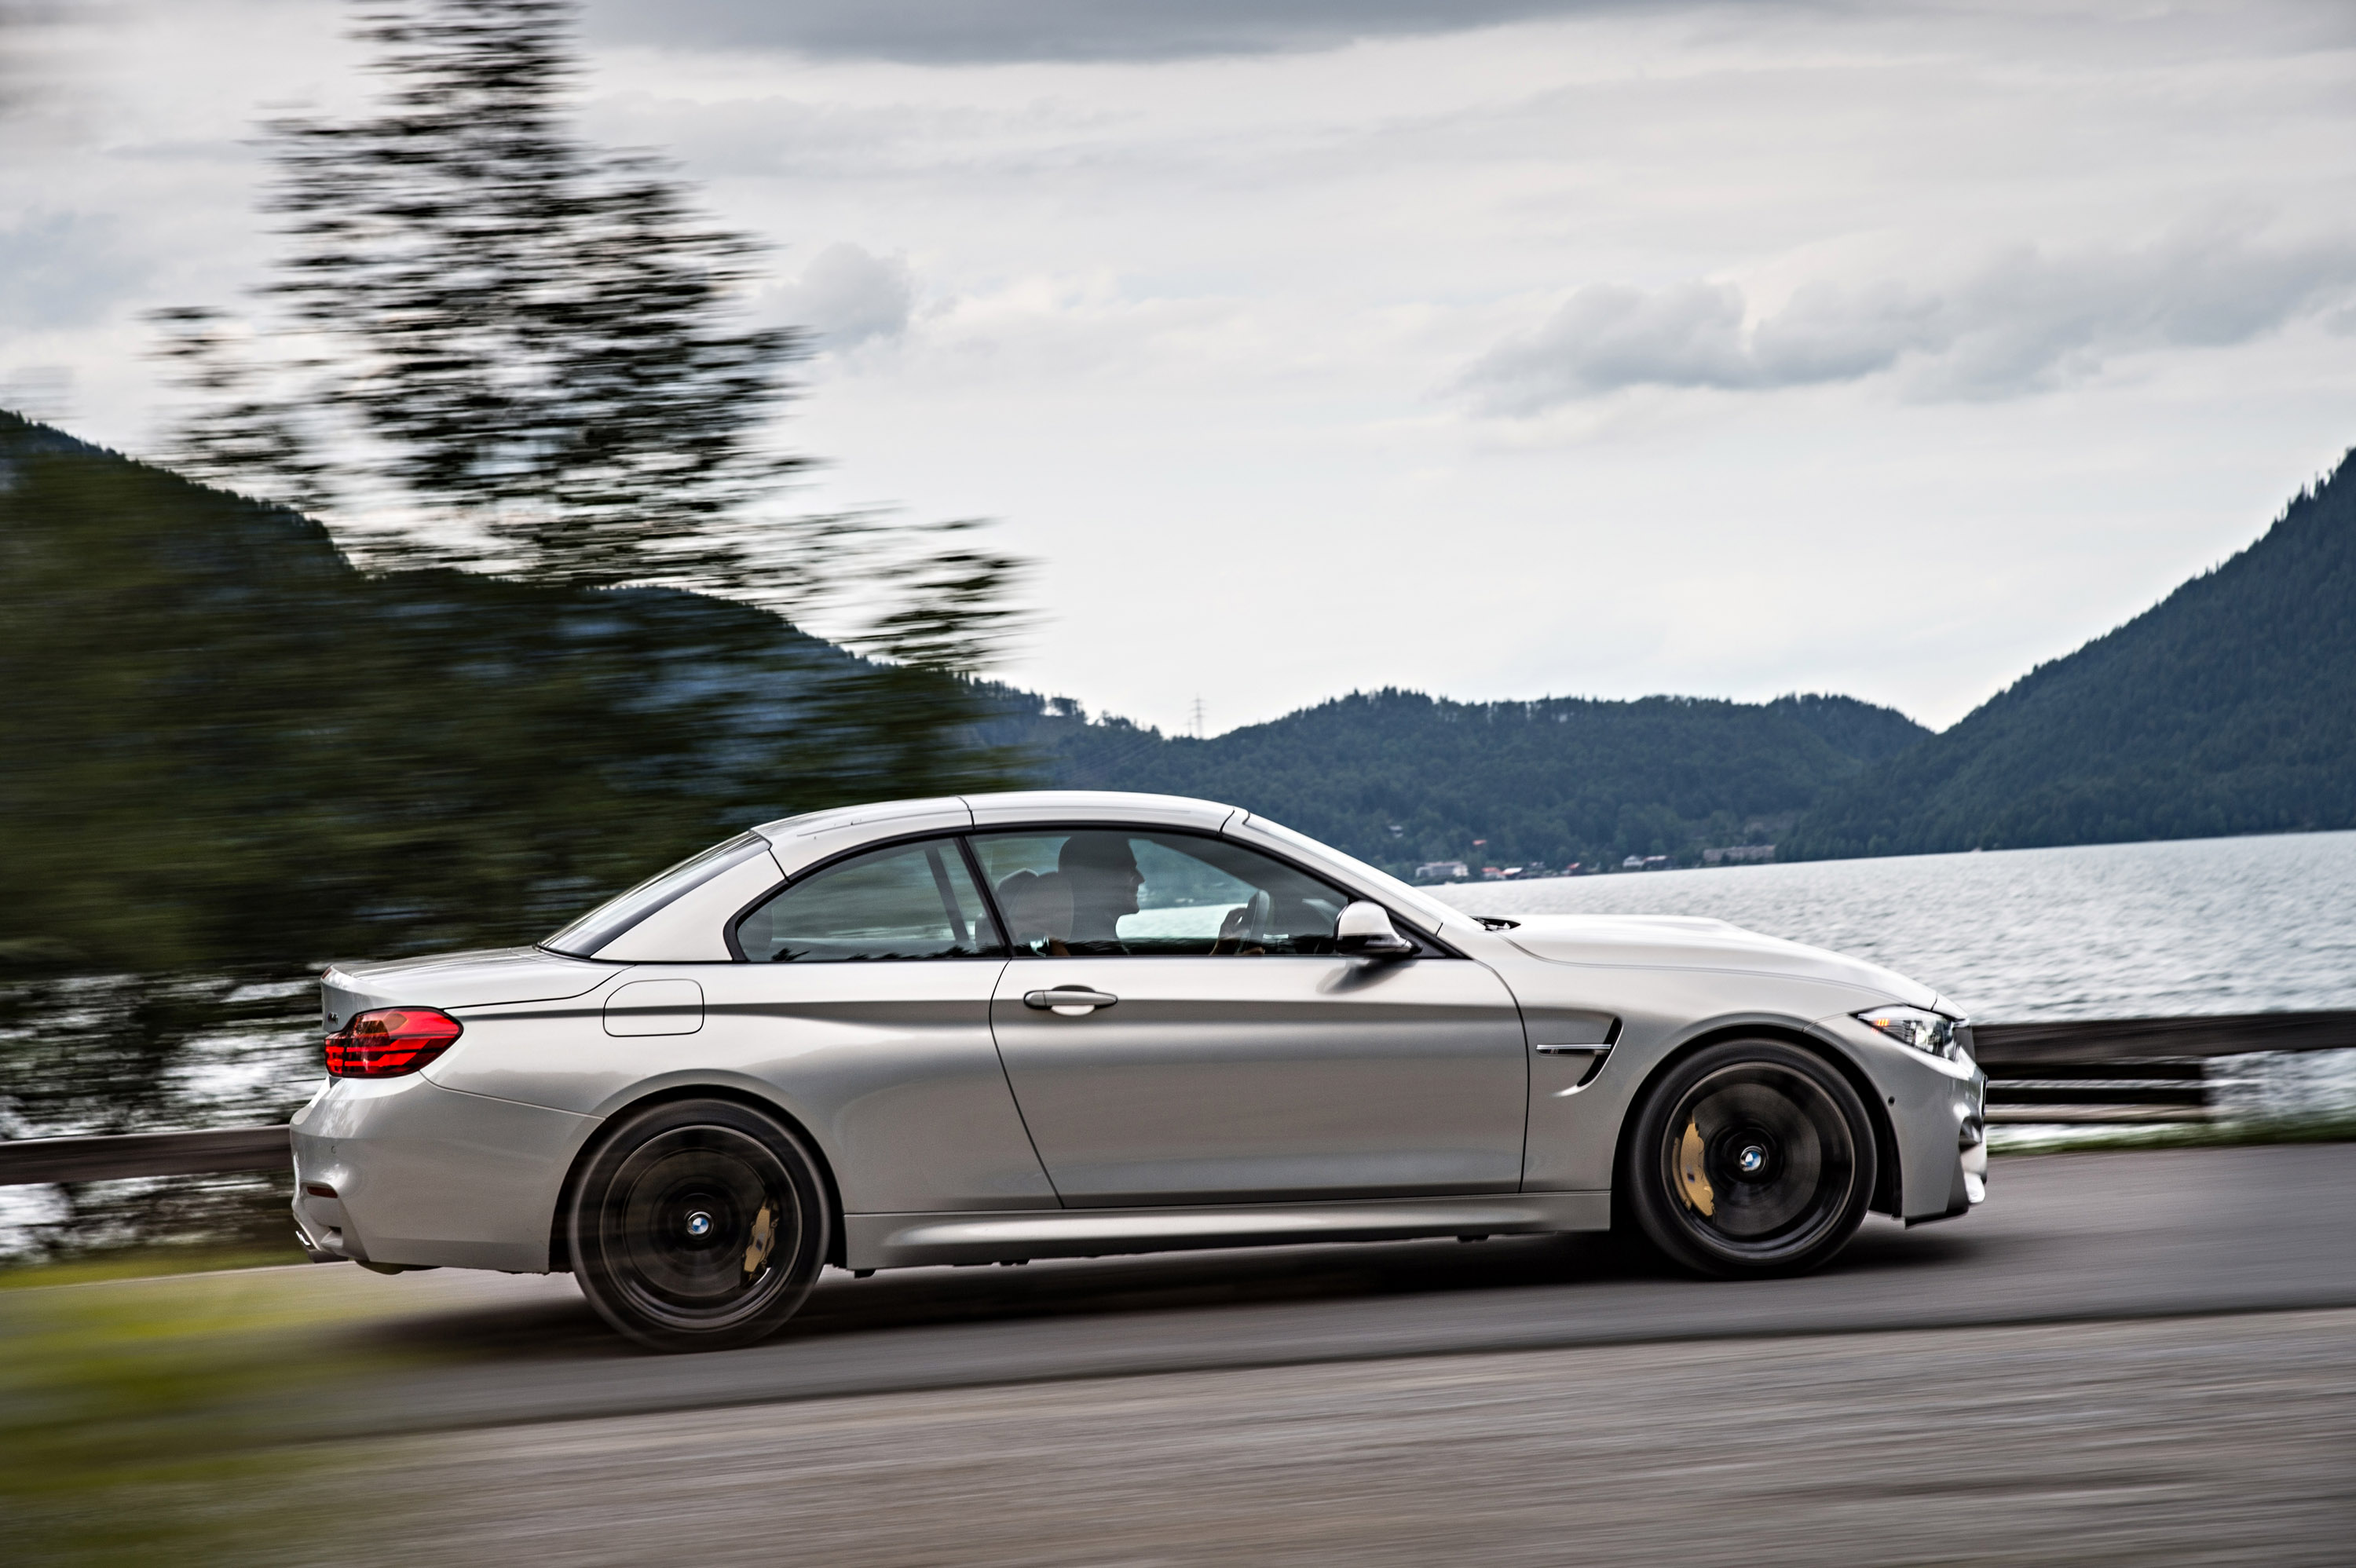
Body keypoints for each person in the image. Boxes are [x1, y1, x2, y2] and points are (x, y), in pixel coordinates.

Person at [1057, 832, 1143, 949]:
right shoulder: (1098, 949)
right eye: (1130, 870)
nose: (1141, 879)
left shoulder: (1083, 941)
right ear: (1099, 879)